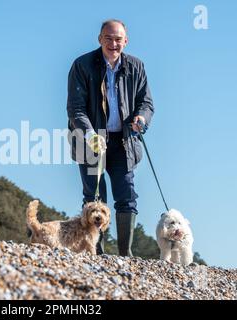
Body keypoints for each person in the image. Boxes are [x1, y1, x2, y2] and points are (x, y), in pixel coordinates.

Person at [66, 19, 154, 256]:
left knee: (127, 195)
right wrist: (90, 133)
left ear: (125, 41)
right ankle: (98, 251)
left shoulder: (137, 66)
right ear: (100, 39)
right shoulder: (82, 65)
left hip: (124, 141)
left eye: (118, 39)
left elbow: (146, 103)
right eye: (108, 38)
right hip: (89, 140)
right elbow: (75, 108)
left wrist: (141, 119)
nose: (113, 44)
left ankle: (125, 254)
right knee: (94, 196)